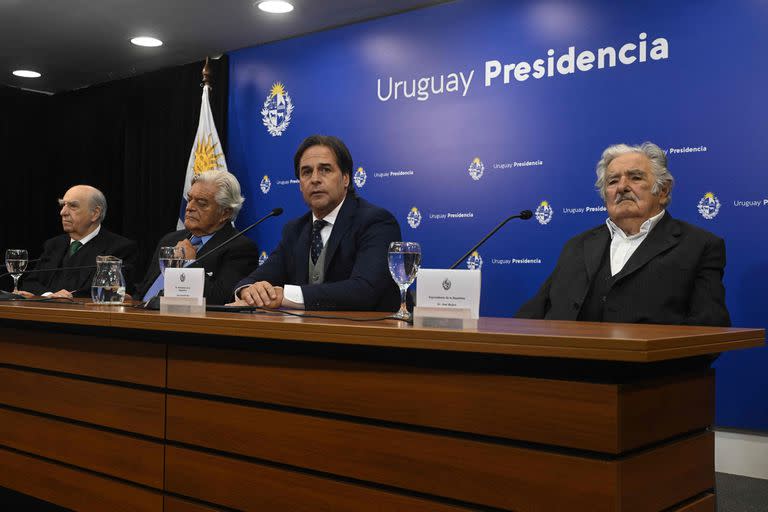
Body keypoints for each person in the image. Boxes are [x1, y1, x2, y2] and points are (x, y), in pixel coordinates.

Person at [516, 142, 730, 326]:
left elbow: (710, 327)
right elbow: (532, 315)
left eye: (635, 178)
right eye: (612, 181)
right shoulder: (576, 246)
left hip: (649, 372)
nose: (622, 187)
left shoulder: (699, 246)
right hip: (564, 371)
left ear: (663, 191)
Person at [233, 135, 401, 311]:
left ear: (346, 178)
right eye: (306, 172)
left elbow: (364, 290)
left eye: (325, 170)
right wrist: (249, 291)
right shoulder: (295, 230)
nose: (315, 179)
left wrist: (286, 296)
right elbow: (255, 278)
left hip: (366, 334)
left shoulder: (376, 222)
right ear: (300, 184)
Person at [135, 170, 259, 305]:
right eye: (189, 199)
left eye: (201, 203)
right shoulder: (170, 240)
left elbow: (220, 299)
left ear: (225, 213)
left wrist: (189, 263)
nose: (189, 207)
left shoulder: (240, 248)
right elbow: (143, 290)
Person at [20, 185, 137, 298]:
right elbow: (30, 283)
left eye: (73, 206)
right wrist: (49, 295)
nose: (63, 212)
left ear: (95, 213)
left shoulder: (120, 248)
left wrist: (64, 297)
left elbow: (107, 291)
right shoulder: (53, 245)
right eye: (63, 205)